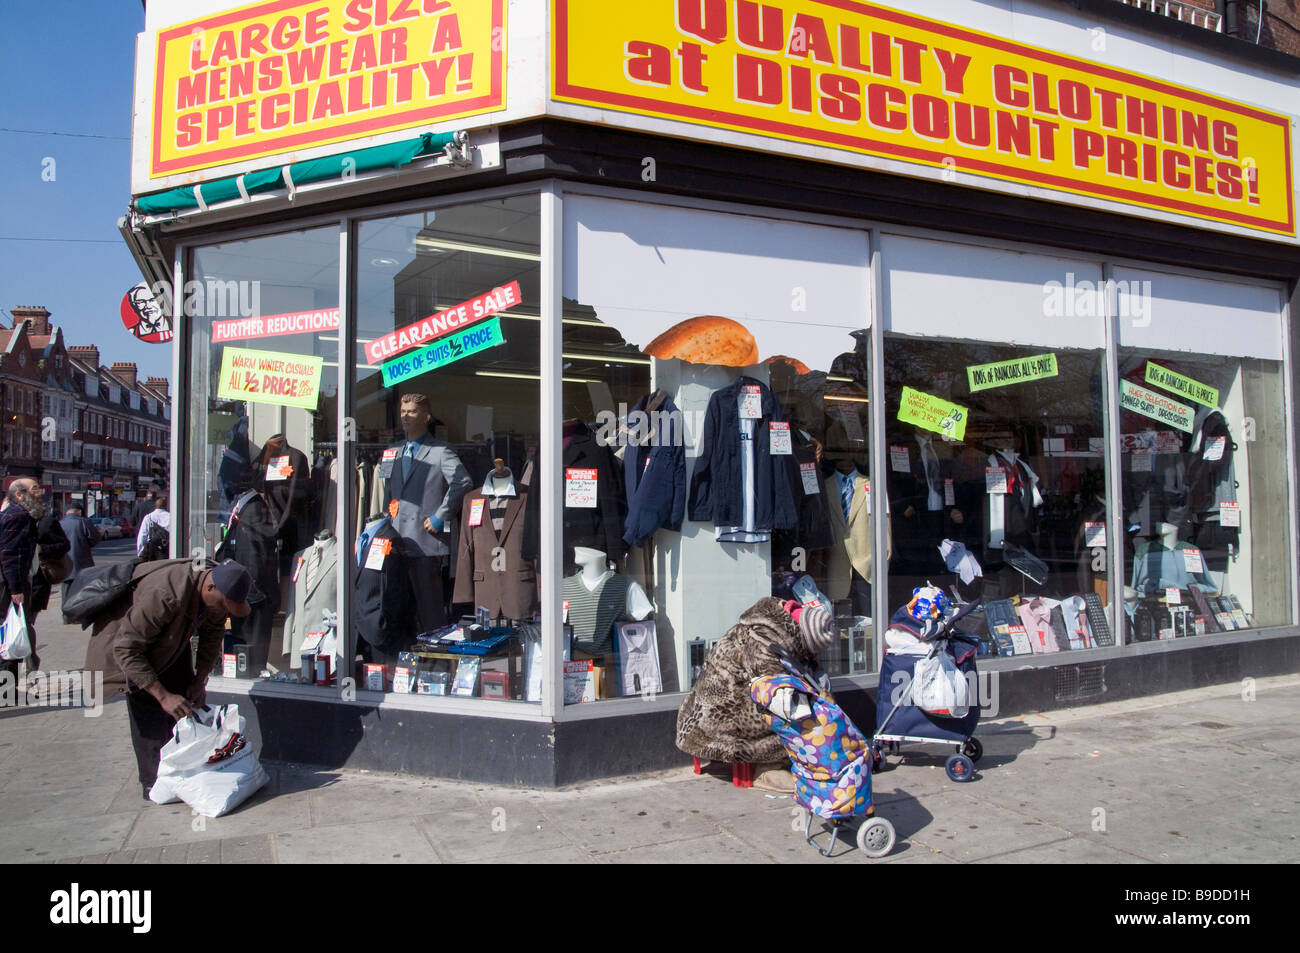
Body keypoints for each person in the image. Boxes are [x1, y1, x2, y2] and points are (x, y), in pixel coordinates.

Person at [85, 559, 252, 800]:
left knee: (183, 706)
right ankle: (153, 784)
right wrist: (163, 696)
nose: (224, 610)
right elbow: (126, 649)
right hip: (131, 649)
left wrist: (200, 679)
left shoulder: (214, 592)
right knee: (150, 710)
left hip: (172, 640)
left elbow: (213, 633)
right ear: (210, 589)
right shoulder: (164, 594)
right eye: (224, 604)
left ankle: (180, 773)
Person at [380, 393, 471, 634]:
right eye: (402, 412)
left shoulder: (440, 451)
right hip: (396, 540)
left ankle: (436, 662)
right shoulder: (393, 451)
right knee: (398, 608)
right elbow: (389, 491)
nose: (405, 416)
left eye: (411, 411)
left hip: (425, 542)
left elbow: (462, 481)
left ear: (426, 416)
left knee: (430, 610)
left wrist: (441, 516)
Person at [0, 479, 43, 684]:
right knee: (11, 632)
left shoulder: (16, 514)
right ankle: (6, 689)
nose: (40, 492)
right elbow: (10, 554)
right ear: (19, 494)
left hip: (10, 581)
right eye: (34, 489)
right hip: (9, 583)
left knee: (12, 631)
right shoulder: (18, 516)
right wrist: (16, 588)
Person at [59, 503, 99, 602]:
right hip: (82, 565)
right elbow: (94, 539)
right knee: (83, 595)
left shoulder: (59, 524)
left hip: (64, 566)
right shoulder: (84, 522)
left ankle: (66, 615)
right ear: (79, 512)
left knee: (66, 595)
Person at [136, 493, 171, 560]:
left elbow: (143, 535)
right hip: (167, 548)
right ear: (165, 506)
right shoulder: (171, 516)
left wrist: (140, 552)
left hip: (152, 550)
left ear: (155, 506)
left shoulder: (149, 517)